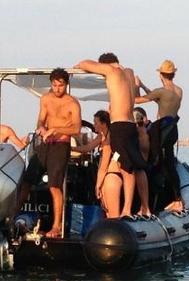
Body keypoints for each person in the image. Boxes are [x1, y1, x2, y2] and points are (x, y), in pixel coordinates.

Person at [75, 53, 151, 218]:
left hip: (119, 126)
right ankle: (140, 208)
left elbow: (84, 62)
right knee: (133, 167)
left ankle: (126, 210)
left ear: (105, 65)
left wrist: (81, 65)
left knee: (125, 169)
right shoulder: (129, 73)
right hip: (130, 125)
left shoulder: (111, 71)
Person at [18, 68, 82, 238]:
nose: (57, 89)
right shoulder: (45, 98)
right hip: (44, 144)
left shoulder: (73, 103)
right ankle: (12, 216)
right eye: (54, 85)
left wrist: (55, 129)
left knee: (54, 185)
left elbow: (76, 128)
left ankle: (56, 226)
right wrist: (41, 127)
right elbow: (41, 118)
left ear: (66, 85)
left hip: (61, 145)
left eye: (60, 85)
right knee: (27, 181)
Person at [135, 59, 183, 213]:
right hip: (173, 130)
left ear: (161, 75)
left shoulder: (161, 91)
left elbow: (138, 100)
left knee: (155, 163)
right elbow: (159, 98)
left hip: (162, 131)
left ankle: (152, 202)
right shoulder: (178, 91)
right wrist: (143, 85)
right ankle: (177, 199)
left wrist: (136, 87)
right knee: (169, 163)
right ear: (173, 74)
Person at [72, 110, 122, 218]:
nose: (94, 125)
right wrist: (71, 148)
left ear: (103, 124)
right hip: (107, 175)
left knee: (112, 213)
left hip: (110, 173)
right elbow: (88, 147)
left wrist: (98, 184)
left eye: (96, 123)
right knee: (107, 210)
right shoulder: (101, 136)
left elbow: (104, 164)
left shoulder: (108, 139)